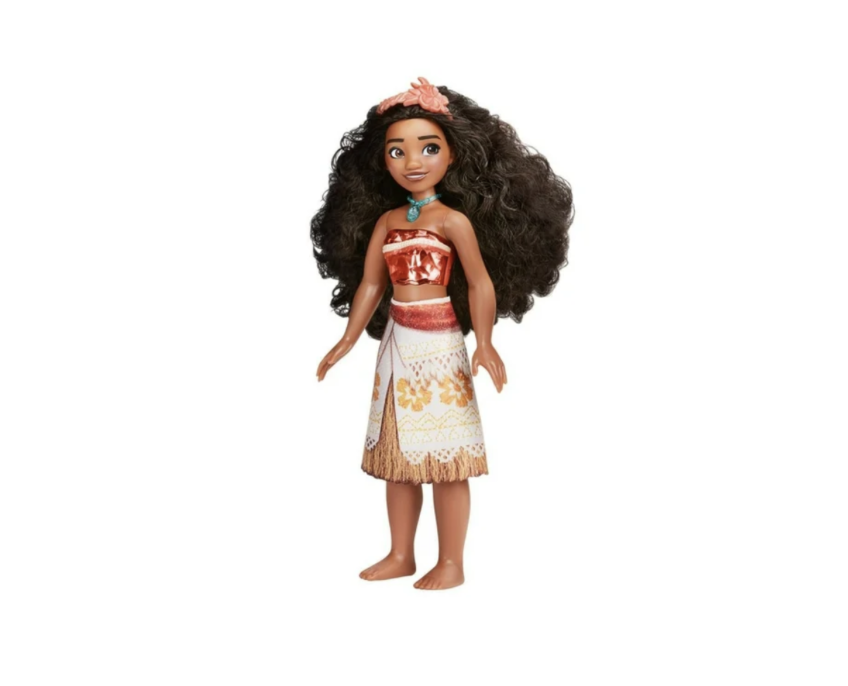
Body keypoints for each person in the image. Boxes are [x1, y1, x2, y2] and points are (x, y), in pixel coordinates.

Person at [312, 77, 573, 590]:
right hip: (397, 342)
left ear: (452, 155)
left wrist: (486, 342)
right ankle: (401, 553)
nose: (413, 161)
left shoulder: (453, 221)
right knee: (396, 456)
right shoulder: (388, 221)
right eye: (397, 151)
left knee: (449, 456)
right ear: (382, 161)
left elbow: (480, 282)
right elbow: (371, 283)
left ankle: (451, 560)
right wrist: (347, 339)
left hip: (440, 344)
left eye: (428, 148)